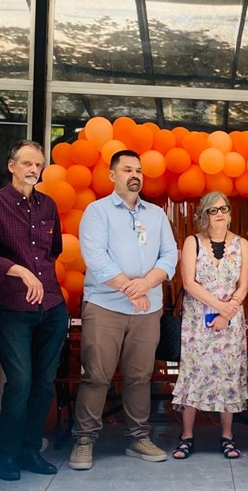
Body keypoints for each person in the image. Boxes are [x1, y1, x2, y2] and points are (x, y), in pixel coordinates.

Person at [69, 149, 177, 470]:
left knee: (140, 377)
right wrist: (131, 288)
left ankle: (138, 438)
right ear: (112, 175)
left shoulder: (156, 214)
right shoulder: (97, 211)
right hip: (105, 305)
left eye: (139, 170)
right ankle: (84, 439)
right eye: (127, 169)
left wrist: (147, 284)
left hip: (147, 309)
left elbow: (169, 255)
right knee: (96, 375)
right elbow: (95, 257)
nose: (135, 175)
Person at [0, 140, 68, 481]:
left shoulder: (48, 205)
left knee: (44, 383)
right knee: (21, 382)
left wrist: (39, 275)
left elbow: (53, 250)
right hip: (13, 307)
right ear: (11, 166)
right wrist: (19, 270)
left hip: (52, 306)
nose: (33, 170)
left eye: (38, 165)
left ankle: (30, 451)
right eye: (27, 163)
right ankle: (7, 454)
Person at [171, 191, 248, 460]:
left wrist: (228, 311)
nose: (219, 214)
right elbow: (189, 283)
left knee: (228, 374)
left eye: (223, 209)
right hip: (197, 322)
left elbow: (244, 284)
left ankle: (227, 436)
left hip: (230, 321)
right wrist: (219, 307)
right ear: (204, 214)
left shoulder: (242, 244)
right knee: (193, 373)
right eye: (213, 210)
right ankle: (186, 436)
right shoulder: (193, 242)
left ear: (229, 213)